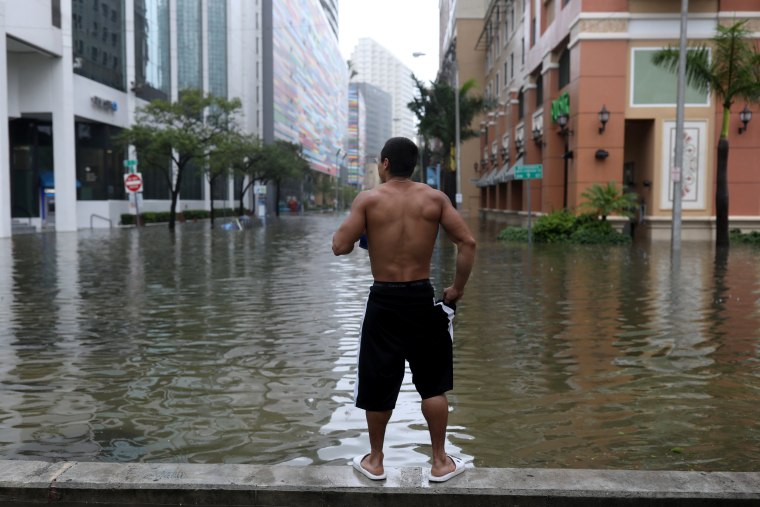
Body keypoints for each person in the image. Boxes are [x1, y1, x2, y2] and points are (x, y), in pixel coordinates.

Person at [332, 137, 476, 482]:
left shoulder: (368, 200)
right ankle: (441, 462)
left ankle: (376, 462)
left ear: (384, 164)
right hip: (421, 299)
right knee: (432, 385)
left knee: (378, 381)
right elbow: (467, 243)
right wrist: (456, 289)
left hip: (383, 301)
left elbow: (339, 246)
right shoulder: (434, 199)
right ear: (413, 166)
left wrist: (365, 231)